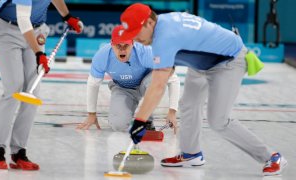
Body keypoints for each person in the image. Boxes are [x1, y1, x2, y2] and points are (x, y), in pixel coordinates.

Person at [119, 3, 287, 176]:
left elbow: (158, 85)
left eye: (136, 32)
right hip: (201, 64)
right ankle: (191, 155)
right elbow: (168, 67)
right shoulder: (164, 24)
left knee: (218, 120)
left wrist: (140, 121)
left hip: (228, 61)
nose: (135, 39)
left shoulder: (165, 35)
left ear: (148, 23)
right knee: (189, 105)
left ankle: (272, 156)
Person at [0, 0, 83, 170]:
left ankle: (19, 151)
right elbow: (23, 18)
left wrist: (67, 16)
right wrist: (39, 53)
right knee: (13, 87)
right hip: (7, 30)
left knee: (32, 93)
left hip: (36, 30)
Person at [76, 25, 180, 133]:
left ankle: (147, 121)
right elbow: (93, 84)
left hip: (146, 84)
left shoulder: (146, 52)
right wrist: (91, 114)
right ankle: (127, 112)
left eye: (126, 45)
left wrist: (172, 112)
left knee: (157, 77)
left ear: (133, 43)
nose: (122, 50)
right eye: (118, 46)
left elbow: (173, 79)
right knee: (118, 125)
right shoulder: (101, 57)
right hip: (123, 89)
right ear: (112, 44)